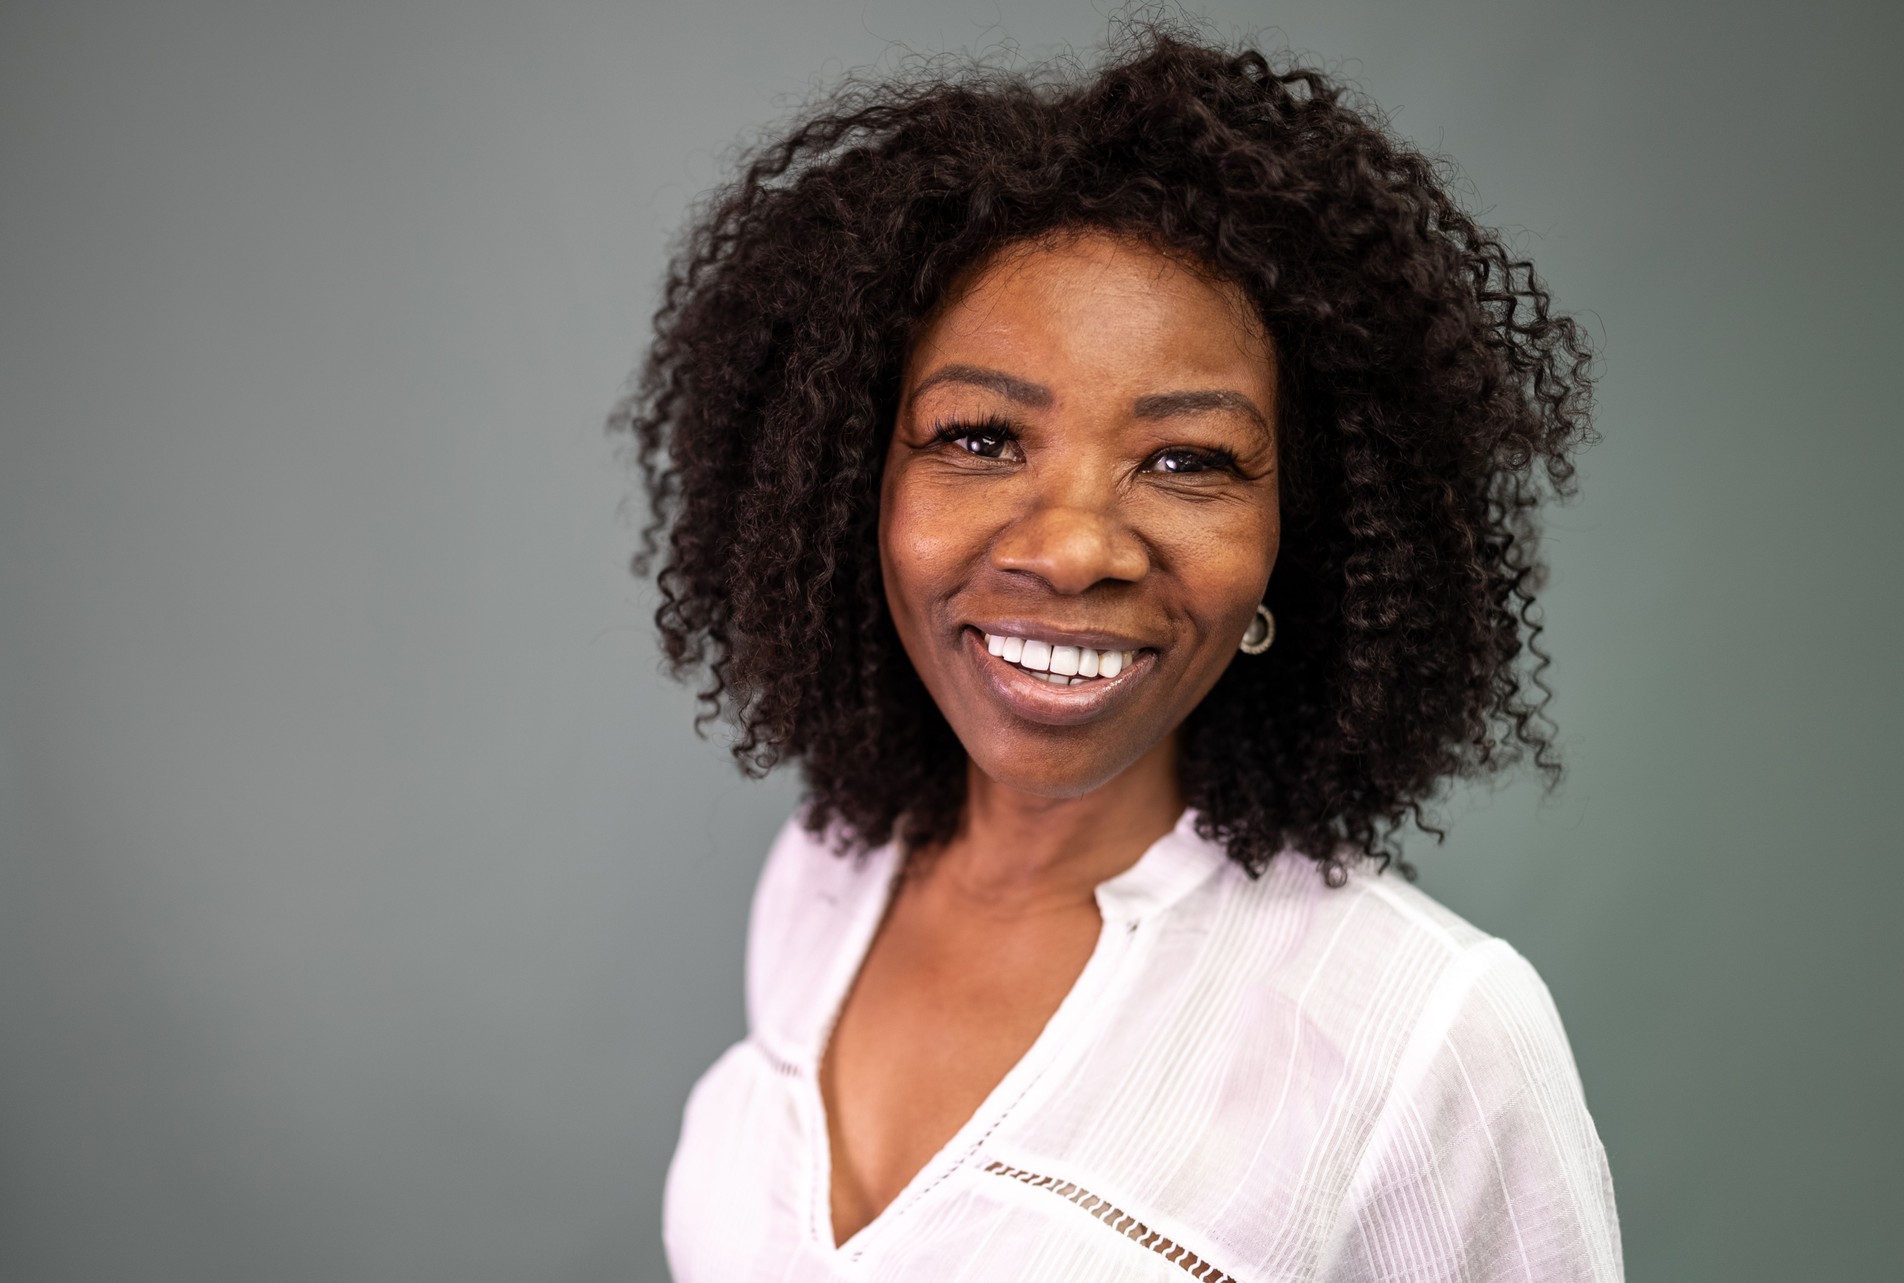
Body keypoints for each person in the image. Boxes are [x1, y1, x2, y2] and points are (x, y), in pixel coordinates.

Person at [620, 25, 1621, 1282]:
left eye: (1187, 459)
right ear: (847, 483)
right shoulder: (828, 870)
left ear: (1300, 538)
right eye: (981, 437)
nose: (1074, 547)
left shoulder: (1425, 1033)